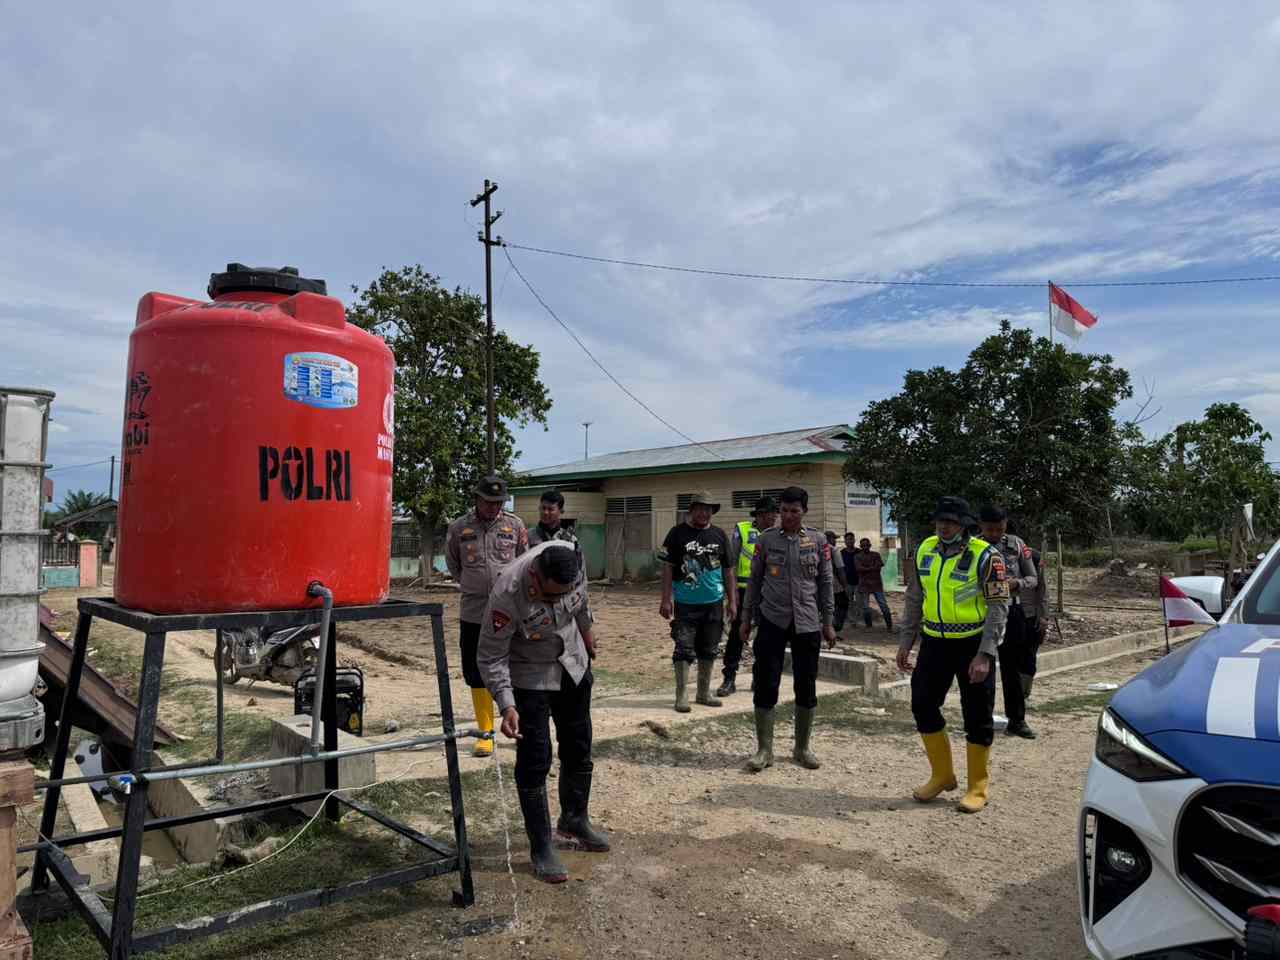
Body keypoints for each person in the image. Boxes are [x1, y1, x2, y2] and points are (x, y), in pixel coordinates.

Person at [478, 541, 605, 883]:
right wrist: (506, 704)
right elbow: (491, 656)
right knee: (536, 760)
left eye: (563, 593)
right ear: (536, 575)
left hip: (573, 666)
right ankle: (542, 846)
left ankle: (575, 821)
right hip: (530, 676)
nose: (555, 601)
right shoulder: (508, 591)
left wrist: (588, 634)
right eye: (549, 596)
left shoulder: (573, 561)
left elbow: (581, 605)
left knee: (579, 746)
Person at [897, 496, 1009, 813]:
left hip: (973, 644)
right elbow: (914, 598)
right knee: (922, 703)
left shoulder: (987, 555)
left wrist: (985, 654)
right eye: (940, 521)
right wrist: (907, 641)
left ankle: (977, 787)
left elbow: (999, 608)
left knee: (976, 713)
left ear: (964, 525)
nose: (944, 526)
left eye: (951, 522)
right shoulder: (925, 549)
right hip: (934, 642)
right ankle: (942, 774)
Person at [741, 486, 835, 771]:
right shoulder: (767, 540)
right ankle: (764, 750)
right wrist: (746, 619)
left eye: (794, 511)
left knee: (806, 683)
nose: (788, 516)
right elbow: (755, 581)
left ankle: (802, 747)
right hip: (772, 619)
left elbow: (826, 583)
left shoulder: (818, 541)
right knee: (767, 681)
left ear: (804, 511)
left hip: (807, 621)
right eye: (784, 511)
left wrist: (828, 623)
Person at [445, 475, 528, 757]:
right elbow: (454, 564)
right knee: (475, 670)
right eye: (488, 501)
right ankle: (486, 732)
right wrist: (475, 584)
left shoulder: (515, 526)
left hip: (507, 609)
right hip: (474, 610)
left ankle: (517, 725)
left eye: (498, 502)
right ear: (476, 499)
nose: (493, 507)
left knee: (514, 666)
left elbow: (523, 562)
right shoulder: (459, 527)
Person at [659, 491, 735, 712]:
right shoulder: (677, 534)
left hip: (714, 603)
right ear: (691, 510)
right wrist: (666, 599)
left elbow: (729, 571)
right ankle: (681, 695)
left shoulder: (720, 535)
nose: (704, 512)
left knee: (709, 648)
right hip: (685, 603)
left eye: (708, 509)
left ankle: (703, 692)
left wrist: (732, 601)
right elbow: (667, 567)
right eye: (700, 508)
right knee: (683, 648)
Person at [977, 505, 1039, 740]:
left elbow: (1033, 578)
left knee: (1012, 669)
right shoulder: (972, 548)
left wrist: (1017, 584)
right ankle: (983, 719)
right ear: (980, 525)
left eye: (999, 529)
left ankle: (1017, 720)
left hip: (1012, 614)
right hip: (982, 614)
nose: (994, 533)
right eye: (989, 529)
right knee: (985, 667)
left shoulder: (1016, 545)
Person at [719, 496, 778, 697]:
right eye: (771, 514)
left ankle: (758, 677)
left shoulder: (777, 534)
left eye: (775, 514)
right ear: (760, 514)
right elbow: (731, 563)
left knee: (765, 636)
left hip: (768, 593)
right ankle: (729, 678)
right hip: (744, 591)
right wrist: (732, 594)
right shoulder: (742, 529)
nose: (775, 518)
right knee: (736, 635)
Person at [1021, 547, 1049, 700]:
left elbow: (1043, 591)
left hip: (1031, 617)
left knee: (1029, 656)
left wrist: (1044, 617)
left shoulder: (1035, 558)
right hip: (1009, 615)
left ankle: (1024, 693)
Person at [854, 537, 894, 632]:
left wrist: (866, 569)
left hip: (876, 584)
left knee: (883, 605)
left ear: (870, 546)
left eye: (867, 545)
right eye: (863, 546)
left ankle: (889, 626)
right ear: (860, 546)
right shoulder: (857, 556)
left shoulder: (876, 554)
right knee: (865, 607)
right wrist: (872, 568)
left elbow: (878, 567)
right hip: (864, 584)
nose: (865, 547)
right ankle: (869, 626)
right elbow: (859, 569)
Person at [826, 531, 850, 639]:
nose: (835, 541)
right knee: (842, 604)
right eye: (834, 538)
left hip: (818, 584)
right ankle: (834, 629)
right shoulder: (833, 549)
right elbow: (840, 570)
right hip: (834, 584)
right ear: (829, 538)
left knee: (826, 607)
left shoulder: (816, 547)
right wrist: (845, 586)